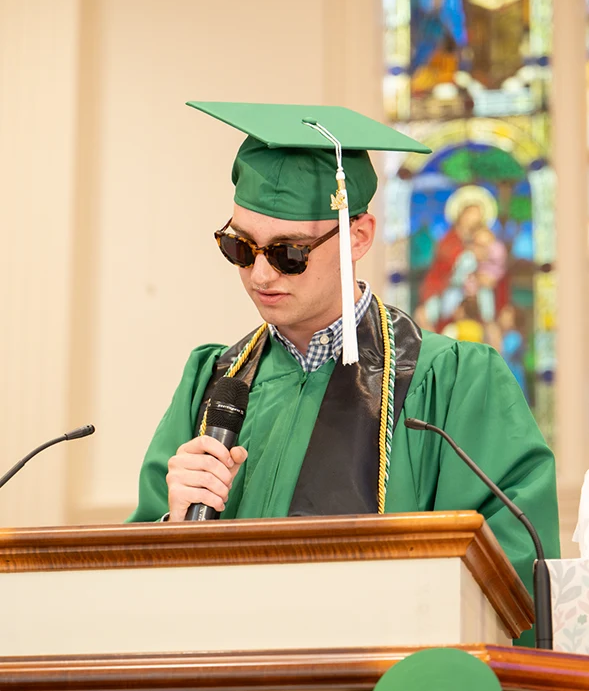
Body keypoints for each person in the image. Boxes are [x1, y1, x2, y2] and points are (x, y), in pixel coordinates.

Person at [127, 102, 559, 647]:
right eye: (239, 246)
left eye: (289, 253)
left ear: (357, 236)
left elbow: (516, 573)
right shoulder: (212, 383)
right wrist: (170, 525)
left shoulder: (454, 381)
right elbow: (132, 589)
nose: (260, 273)